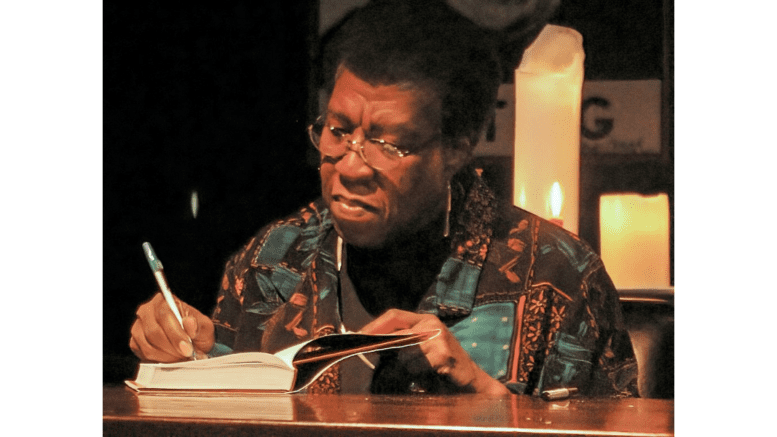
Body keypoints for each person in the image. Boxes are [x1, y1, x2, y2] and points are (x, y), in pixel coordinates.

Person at [130, 0, 638, 397]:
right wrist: (185, 353)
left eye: (387, 144)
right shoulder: (273, 262)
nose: (350, 166)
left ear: (457, 147)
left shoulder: (555, 276)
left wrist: (488, 400)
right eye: (337, 131)